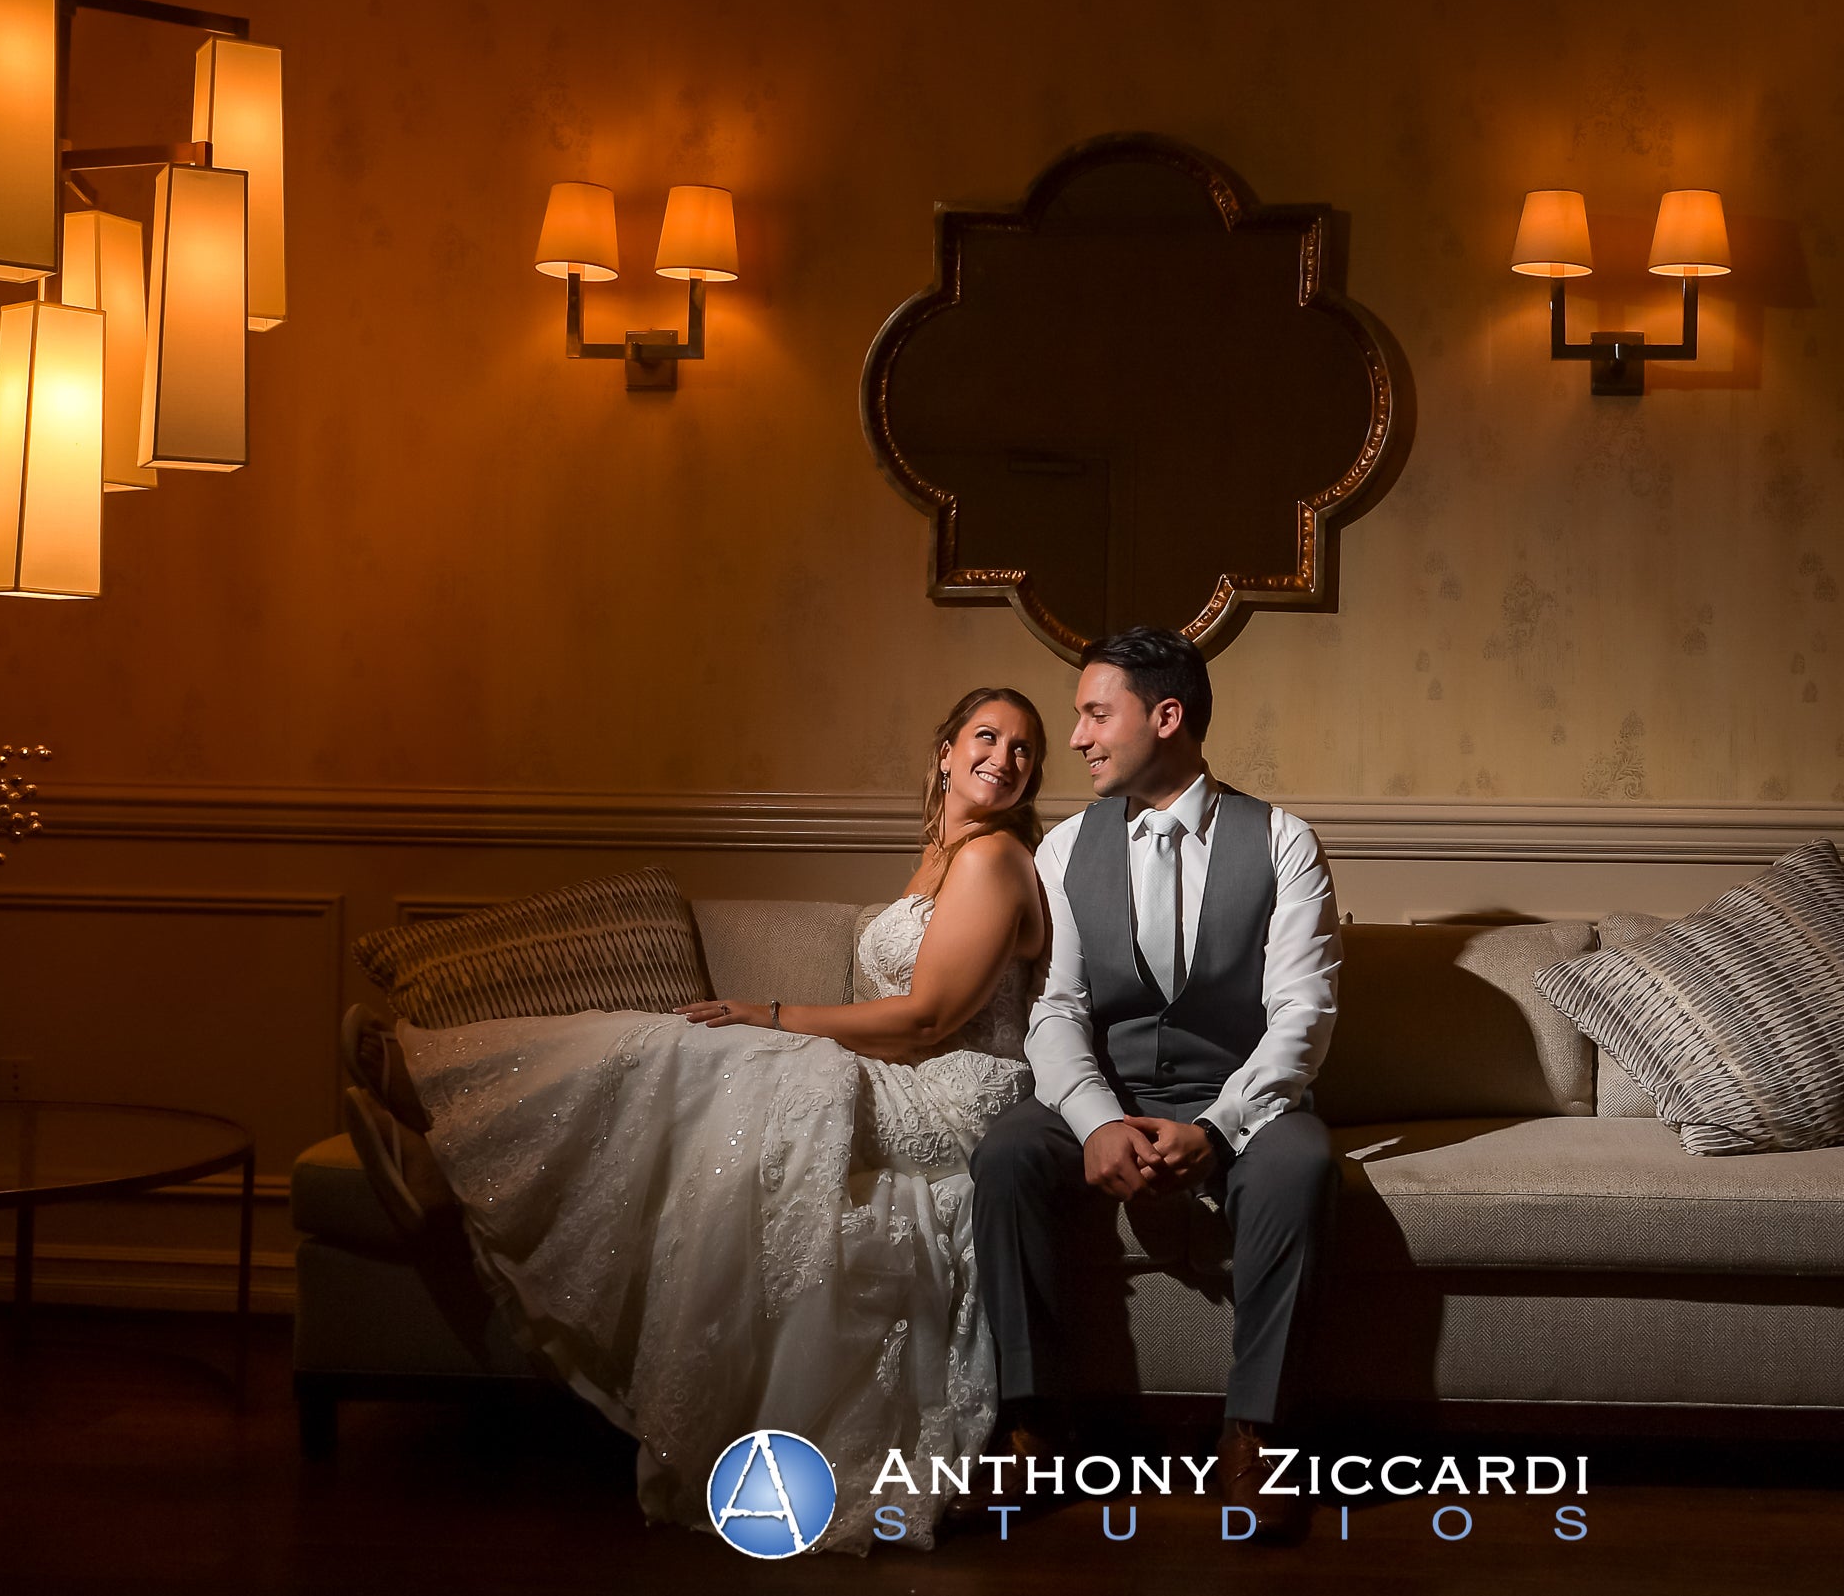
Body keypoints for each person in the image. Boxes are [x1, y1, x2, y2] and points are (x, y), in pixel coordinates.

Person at [338, 687, 1050, 1552]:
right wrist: (780, 1026)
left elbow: (926, 1020)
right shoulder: (937, 860)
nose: (1004, 757)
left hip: (952, 1093)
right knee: (688, 1053)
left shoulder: (992, 859)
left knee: (690, 1048)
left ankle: (434, 1099)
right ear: (944, 752)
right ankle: (447, 1135)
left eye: (1023, 748)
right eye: (987, 736)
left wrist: (775, 1012)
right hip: (903, 1071)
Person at [967, 628, 1343, 1540]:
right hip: (1110, 1085)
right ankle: (1033, 1421)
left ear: (1165, 716)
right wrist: (1096, 1122)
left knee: (1302, 1164)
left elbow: (1304, 1014)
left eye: (1097, 713)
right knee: (1009, 1151)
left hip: (1242, 1098)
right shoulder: (1061, 849)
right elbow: (1054, 1011)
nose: (1082, 737)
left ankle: (1256, 1433)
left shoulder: (1285, 840)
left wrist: (1217, 1128)